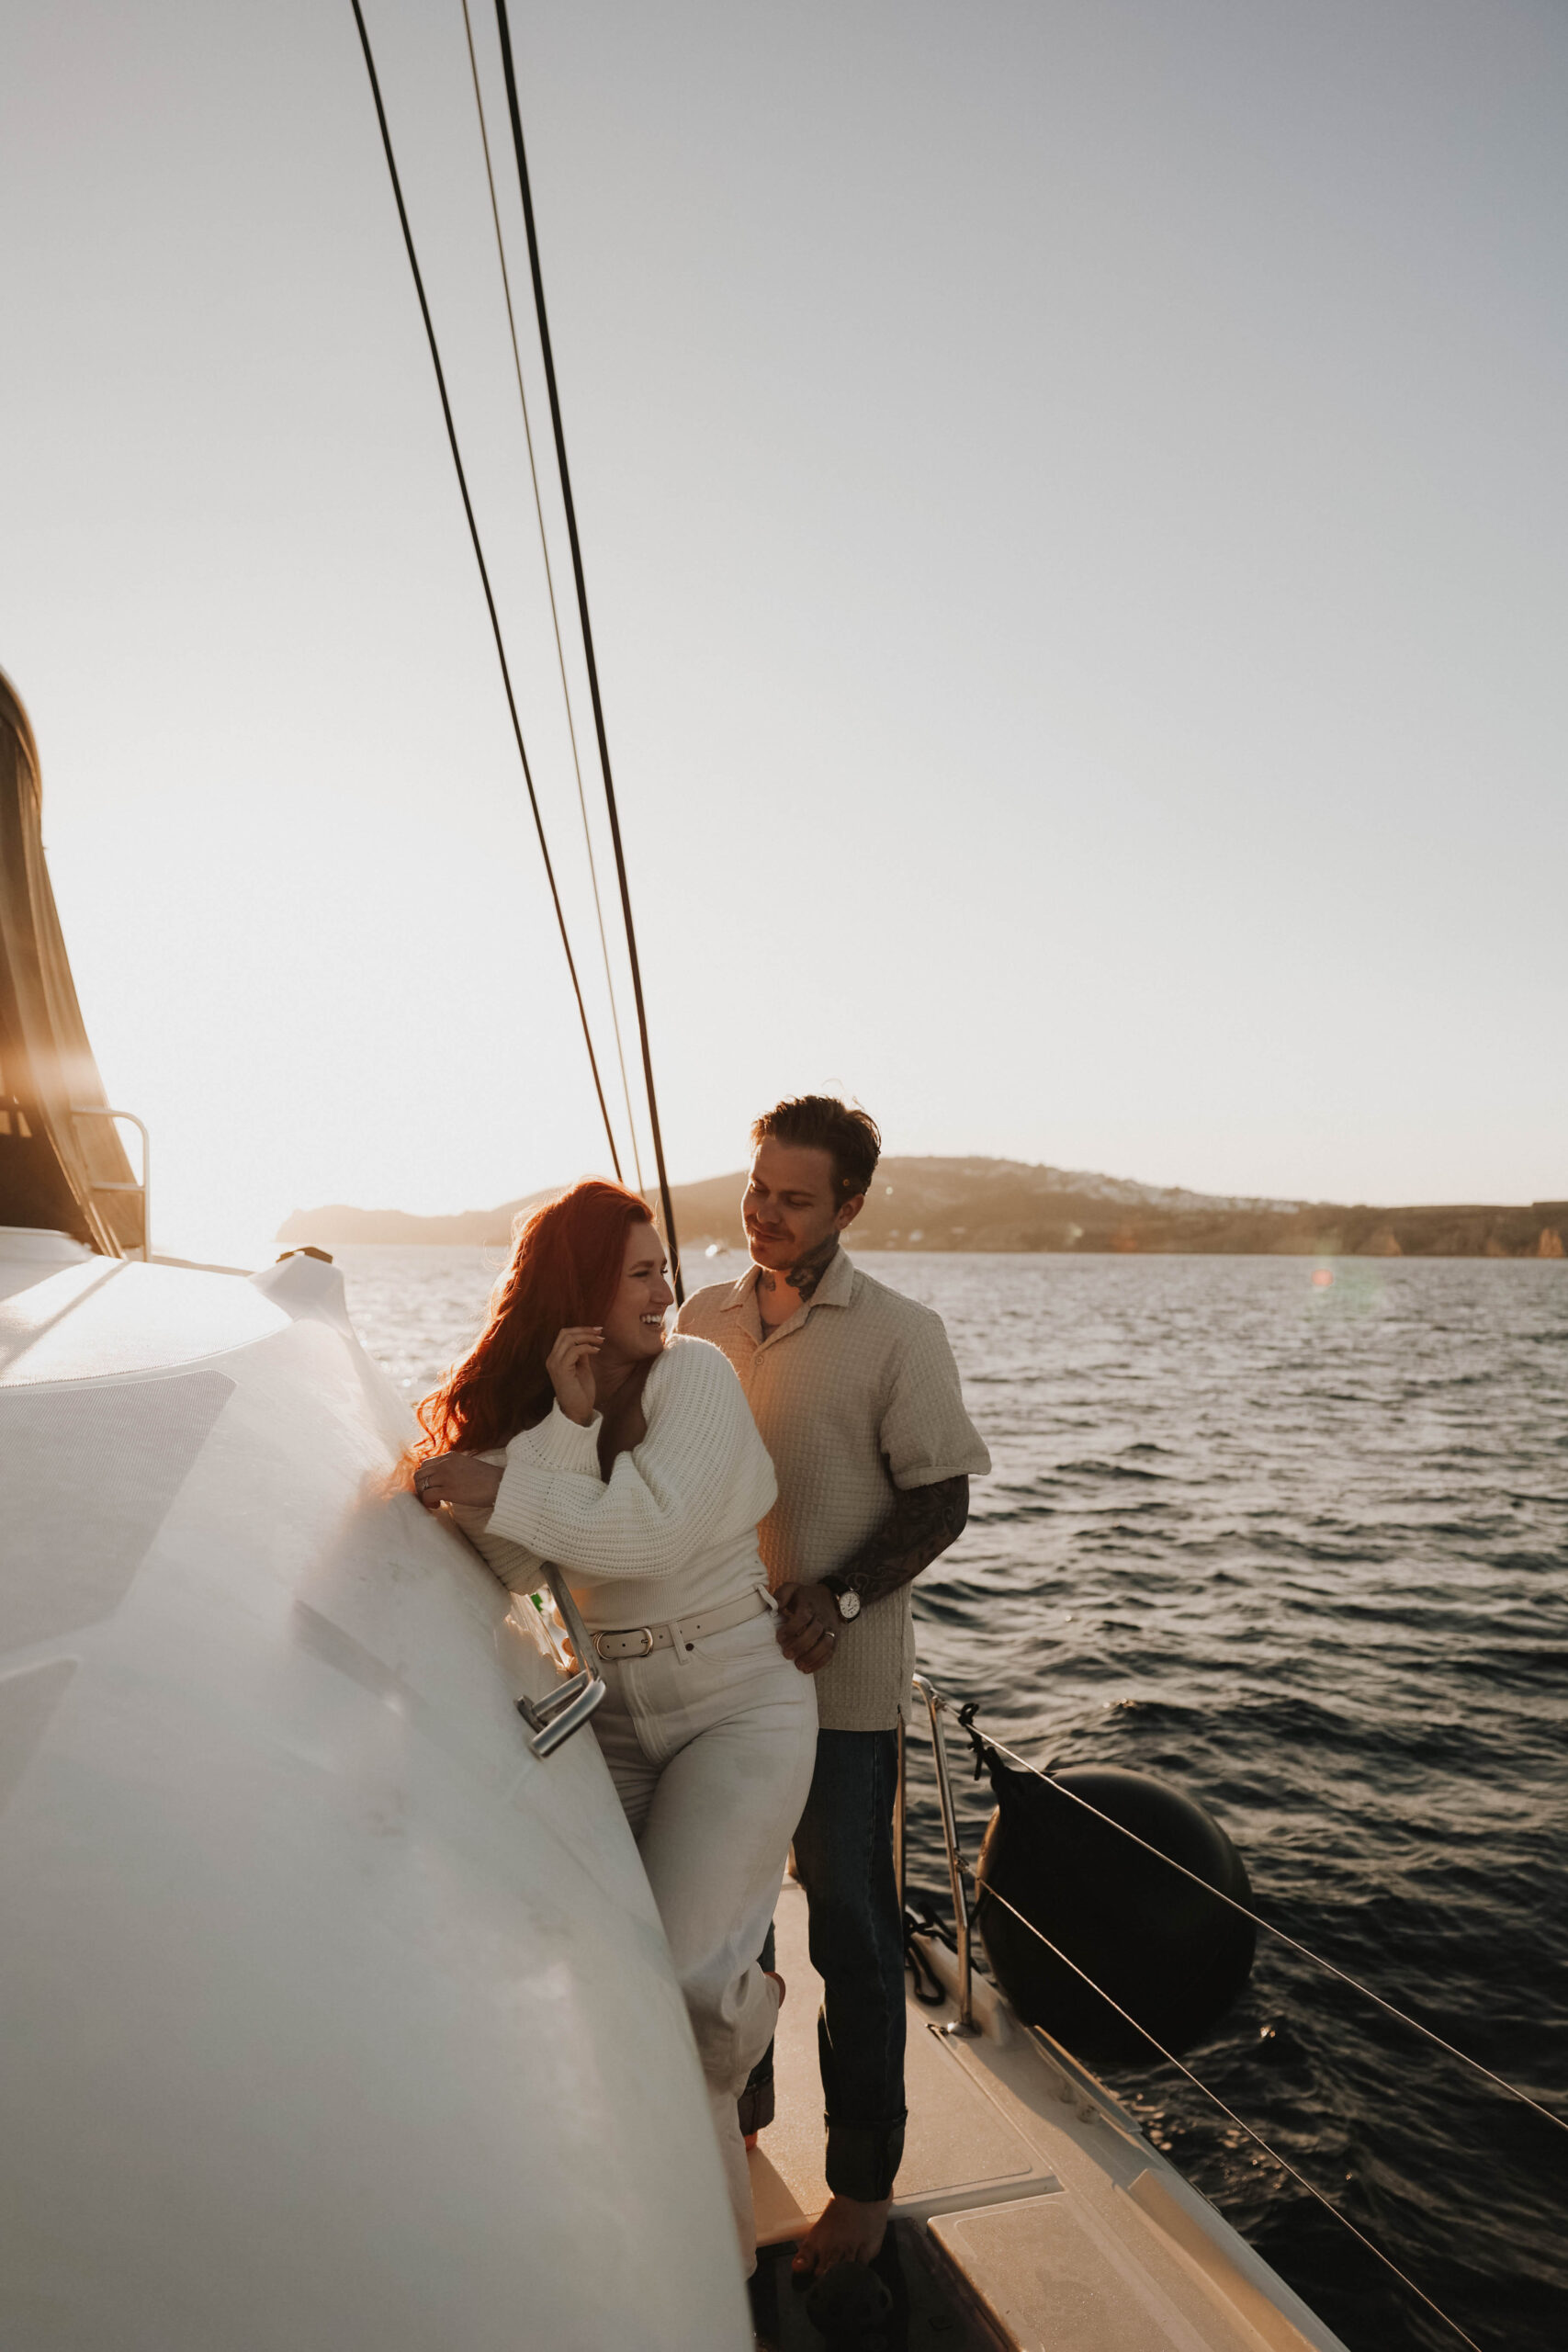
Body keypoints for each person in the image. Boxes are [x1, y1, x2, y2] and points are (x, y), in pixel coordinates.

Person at [410, 1179, 817, 2276]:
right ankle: (715, 2276)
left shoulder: (698, 1375)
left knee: (684, 1982)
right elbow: (523, 1573)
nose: (666, 1288)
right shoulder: (556, 1411)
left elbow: (642, 1532)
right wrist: (563, 1423)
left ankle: (751, 2003)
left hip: (740, 1701)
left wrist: (505, 1489)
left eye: (661, 1268)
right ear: (582, 1290)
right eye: (640, 1271)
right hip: (619, 1727)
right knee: (637, 2008)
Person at [678, 1098, 989, 2277]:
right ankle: (741, 2124)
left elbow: (943, 1496)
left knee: (854, 1938)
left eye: (795, 1199)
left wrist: (842, 1595)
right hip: (712, 1685)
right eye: (758, 1189)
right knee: (731, 1928)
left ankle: (860, 2187)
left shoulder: (903, 1334)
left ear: (850, 1207)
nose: (764, 1214)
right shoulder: (699, 1315)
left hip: (844, 1697)